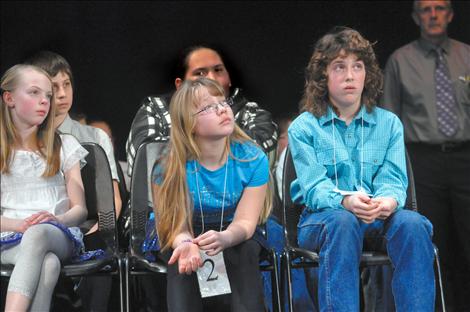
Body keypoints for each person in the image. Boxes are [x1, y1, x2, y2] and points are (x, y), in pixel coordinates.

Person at [287, 27, 436, 311]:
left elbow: (393, 178)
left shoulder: (389, 123)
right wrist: (345, 201)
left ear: (367, 73)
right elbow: (315, 188)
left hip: (377, 218)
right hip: (323, 220)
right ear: (323, 76)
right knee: (342, 222)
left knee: (412, 223)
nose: (350, 75)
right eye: (339, 67)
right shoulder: (304, 127)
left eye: (358, 66)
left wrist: (387, 201)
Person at [152, 78, 271, 311]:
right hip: (183, 229)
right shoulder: (168, 167)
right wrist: (186, 243)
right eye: (207, 107)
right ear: (189, 123)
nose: (222, 109)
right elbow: (174, 224)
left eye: (223, 102)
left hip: (234, 227)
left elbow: (246, 222)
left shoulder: (252, 158)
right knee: (182, 258)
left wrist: (225, 237)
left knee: (244, 250)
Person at [381, 1, 470, 310]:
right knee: (434, 241)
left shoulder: (466, 56)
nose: (433, 14)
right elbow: (389, 119)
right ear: (416, 16)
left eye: (440, 8)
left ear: (450, 14)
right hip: (422, 161)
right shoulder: (400, 61)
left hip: (465, 158)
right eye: (426, 9)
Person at [25, 51, 121, 311]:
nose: (63, 94)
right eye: (54, 87)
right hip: (41, 229)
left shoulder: (94, 137)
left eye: (66, 85)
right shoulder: (23, 139)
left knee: (101, 245)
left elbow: (112, 198)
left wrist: (102, 226)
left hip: (88, 227)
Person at [0, 64, 88, 312]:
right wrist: (17, 225)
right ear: (9, 98)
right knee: (48, 264)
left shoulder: (63, 145)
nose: (44, 102)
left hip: (57, 232)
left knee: (38, 233)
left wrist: (55, 220)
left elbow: (80, 209)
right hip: (9, 238)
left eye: (47, 96)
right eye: (34, 93)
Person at [126, 44, 278, 177]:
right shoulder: (155, 108)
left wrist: (196, 145)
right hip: (165, 203)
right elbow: (147, 159)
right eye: (200, 73)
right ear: (180, 85)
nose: (211, 78)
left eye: (218, 70)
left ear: (229, 78)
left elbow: (258, 158)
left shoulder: (252, 113)